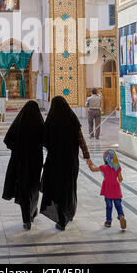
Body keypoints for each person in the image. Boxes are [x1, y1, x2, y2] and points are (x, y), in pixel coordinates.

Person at [40, 96, 92, 231]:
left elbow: (44, 141)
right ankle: (69, 212)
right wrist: (87, 156)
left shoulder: (51, 121)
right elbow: (81, 140)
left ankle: (61, 219)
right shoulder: (72, 119)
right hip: (70, 162)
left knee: (56, 189)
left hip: (54, 163)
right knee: (69, 187)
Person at [2, 100, 44, 231]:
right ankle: (32, 212)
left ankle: (26, 218)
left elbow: (8, 140)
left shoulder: (19, 123)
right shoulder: (39, 123)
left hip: (20, 161)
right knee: (33, 186)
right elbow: (47, 140)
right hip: (35, 161)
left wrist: (18, 149)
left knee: (23, 187)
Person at [89, 149, 126, 230]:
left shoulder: (104, 167)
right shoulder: (117, 168)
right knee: (118, 204)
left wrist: (90, 164)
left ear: (106, 159)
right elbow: (120, 178)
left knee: (109, 206)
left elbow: (92, 170)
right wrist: (116, 182)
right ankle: (121, 215)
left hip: (107, 188)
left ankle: (108, 221)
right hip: (116, 188)